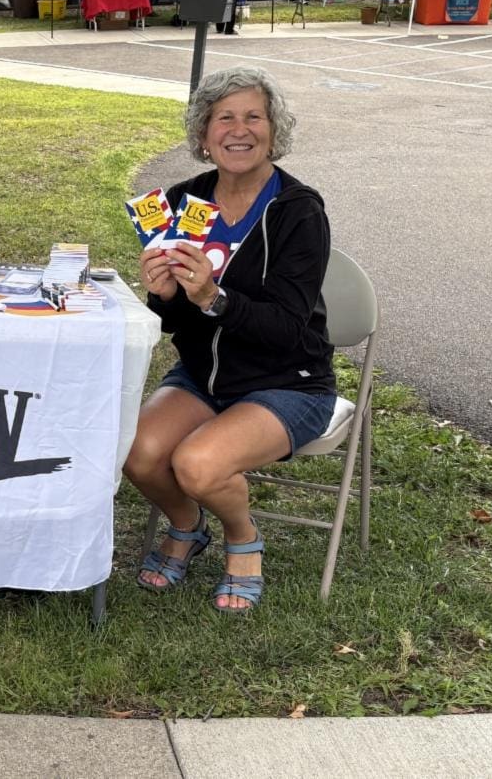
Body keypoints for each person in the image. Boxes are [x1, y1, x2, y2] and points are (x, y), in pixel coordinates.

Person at [123, 67, 335, 614]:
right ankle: (188, 526)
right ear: (203, 133)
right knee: (138, 451)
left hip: (288, 381)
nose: (239, 130)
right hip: (204, 376)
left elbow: (290, 328)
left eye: (253, 116)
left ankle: (243, 538)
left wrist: (214, 298)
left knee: (197, 464)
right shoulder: (182, 200)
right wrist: (164, 293)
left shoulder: (297, 210)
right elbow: (174, 321)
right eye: (224, 118)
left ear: (273, 129)